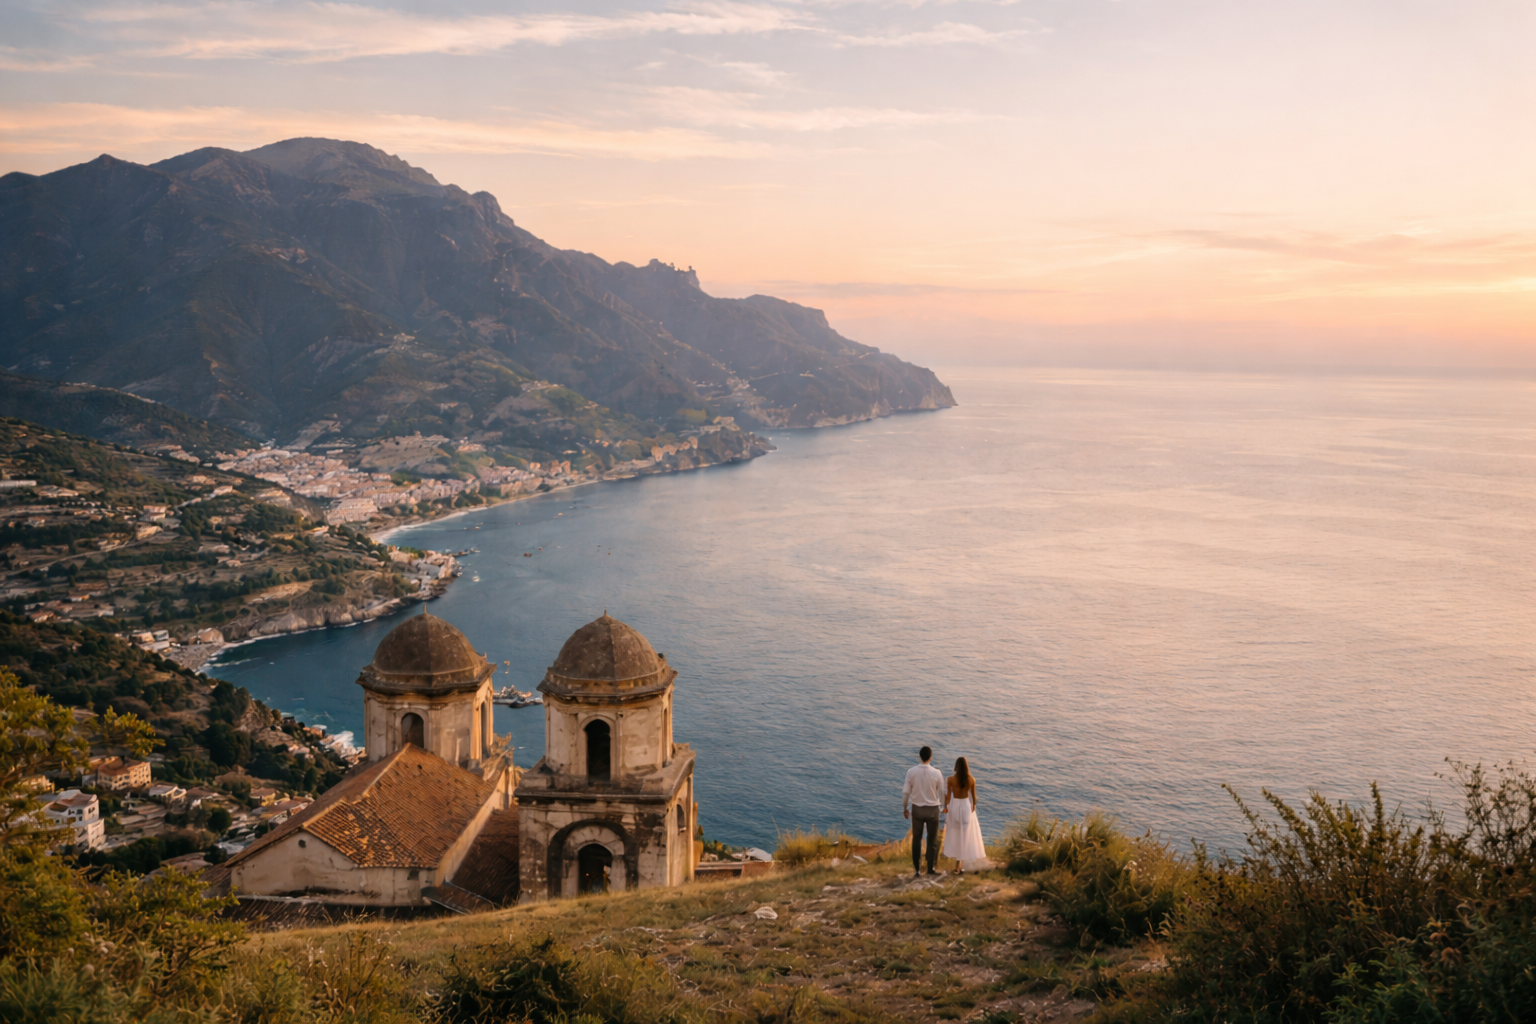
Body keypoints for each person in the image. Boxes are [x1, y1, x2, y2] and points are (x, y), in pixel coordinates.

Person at [903, 745, 944, 877]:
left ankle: (917, 870)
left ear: (920, 756)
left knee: (917, 839)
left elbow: (906, 792)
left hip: (917, 809)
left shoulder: (911, 772)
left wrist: (905, 808)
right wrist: (943, 807)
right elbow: (942, 792)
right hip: (933, 810)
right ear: (930, 757)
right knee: (932, 840)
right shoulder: (937, 773)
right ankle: (930, 868)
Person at [942, 756, 986, 873]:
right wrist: (973, 806)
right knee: (964, 835)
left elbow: (948, 798)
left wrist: (945, 806)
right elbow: (974, 798)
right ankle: (959, 863)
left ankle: (958, 863)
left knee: (955, 834)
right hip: (966, 807)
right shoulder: (971, 780)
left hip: (955, 807)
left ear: (956, 766)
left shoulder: (950, 779)